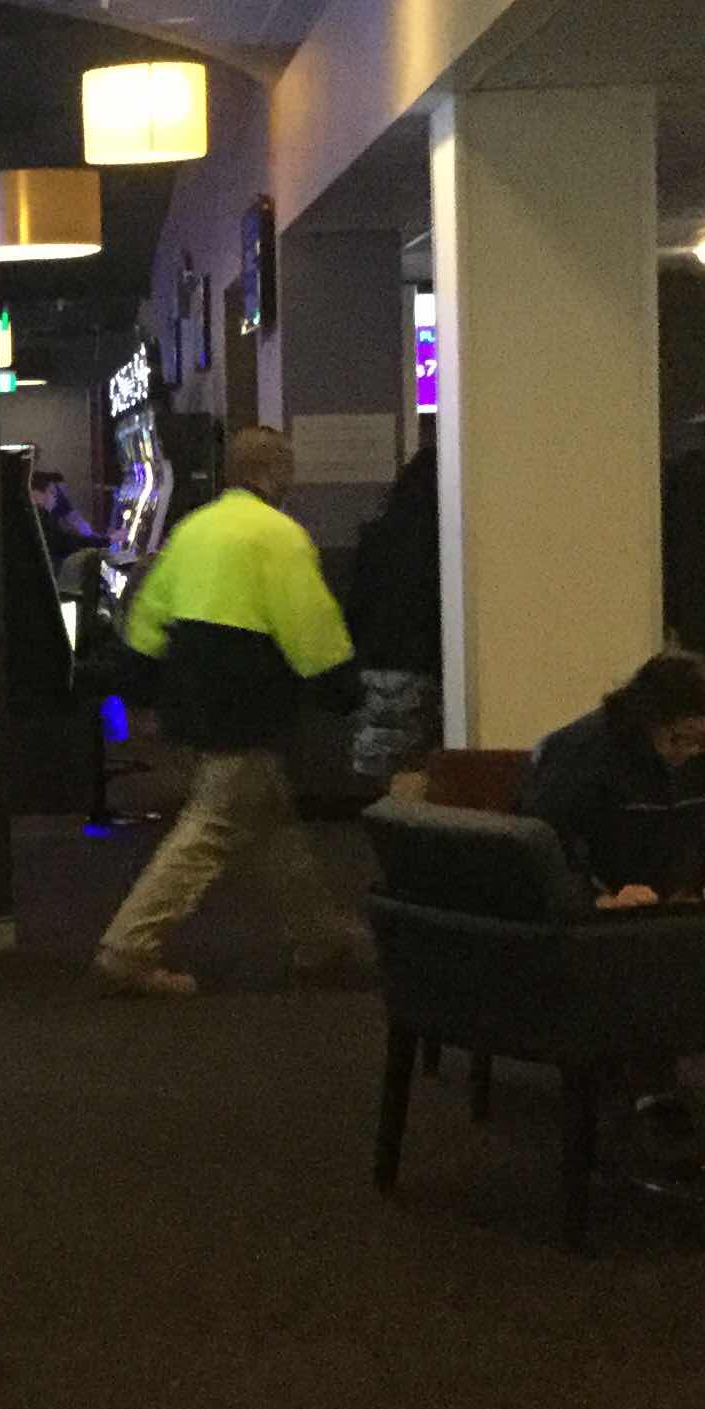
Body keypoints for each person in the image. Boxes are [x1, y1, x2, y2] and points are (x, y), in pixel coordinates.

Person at [93, 424, 372, 996]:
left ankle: (319, 937)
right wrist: (342, 687)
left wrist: (139, 686)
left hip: (189, 699)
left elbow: (149, 617)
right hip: (246, 707)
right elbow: (309, 626)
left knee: (271, 824)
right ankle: (128, 948)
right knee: (210, 828)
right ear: (277, 472)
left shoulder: (192, 529)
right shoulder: (279, 536)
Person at [520, 650, 705, 906]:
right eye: (678, 738)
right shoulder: (581, 753)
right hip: (604, 911)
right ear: (648, 720)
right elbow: (542, 851)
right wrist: (598, 899)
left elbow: (702, 819)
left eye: (704, 739)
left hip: (677, 905)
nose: (691, 751)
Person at [343, 445, 442, 781]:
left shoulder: (377, 536)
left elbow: (358, 606)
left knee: (388, 772)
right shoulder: (445, 541)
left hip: (377, 663)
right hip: (425, 663)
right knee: (426, 771)